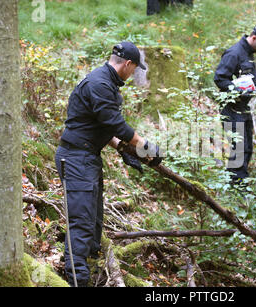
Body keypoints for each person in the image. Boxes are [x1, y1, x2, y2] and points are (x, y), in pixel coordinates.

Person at [55, 41, 163, 287]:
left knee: (93, 220)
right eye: (134, 69)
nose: (133, 73)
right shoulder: (100, 84)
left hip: (86, 157)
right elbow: (116, 124)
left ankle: (91, 272)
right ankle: (77, 281)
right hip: (76, 159)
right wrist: (145, 147)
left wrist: (124, 149)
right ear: (127, 64)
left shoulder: (106, 82)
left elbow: (100, 125)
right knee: (81, 224)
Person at [214, 25, 256, 185]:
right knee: (239, 149)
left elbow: (249, 81)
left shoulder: (248, 54)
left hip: (243, 108)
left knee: (247, 148)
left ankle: (239, 183)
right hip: (231, 108)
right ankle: (236, 187)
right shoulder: (234, 53)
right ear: (254, 38)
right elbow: (219, 78)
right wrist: (238, 90)